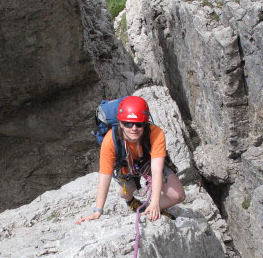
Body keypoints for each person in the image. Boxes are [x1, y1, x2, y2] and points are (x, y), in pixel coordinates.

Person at [76, 96, 186, 224]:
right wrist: (97, 211)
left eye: (139, 124)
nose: (134, 128)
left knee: (178, 196)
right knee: (125, 193)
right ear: (121, 124)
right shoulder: (110, 141)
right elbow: (104, 177)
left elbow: (156, 169)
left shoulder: (155, 133)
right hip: (125, 165)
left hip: (148, 162)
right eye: (128, 123)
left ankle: (150, 209)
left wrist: (155, 202)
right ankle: (130, 201)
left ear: (145, 123)